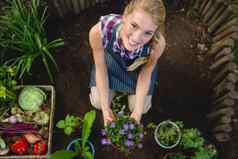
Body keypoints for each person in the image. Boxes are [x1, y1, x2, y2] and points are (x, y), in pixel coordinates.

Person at [89, 0, 166, 125]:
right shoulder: (99, 31)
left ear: (155, 32)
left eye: (148, 33)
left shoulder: (157, 44)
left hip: (137, 69)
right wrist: (105, 110)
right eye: (134, 25)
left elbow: (145, 74)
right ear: (125, 16)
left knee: (142, 107)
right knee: (98, 102)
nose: (136, 38)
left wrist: (137, 113)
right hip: (111, 64)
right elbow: (100, 67)